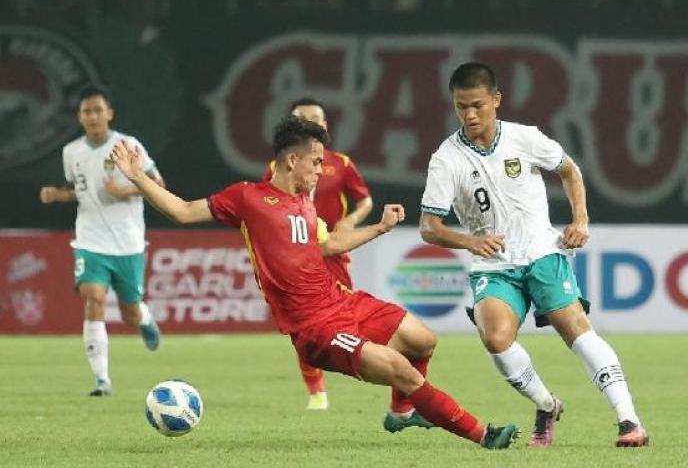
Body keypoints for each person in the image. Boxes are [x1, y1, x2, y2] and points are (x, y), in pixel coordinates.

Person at [110, 115, 521, 450]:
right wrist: (137, 177)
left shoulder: (305, 205)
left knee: (423, 341)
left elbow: (330, 244)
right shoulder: (248, 198)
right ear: (291, 161)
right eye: (315, 163)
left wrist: (379, 227)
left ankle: (401, 413)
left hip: (343, 301)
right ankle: (483, 435)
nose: (321, 171)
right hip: (316, 328)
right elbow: (182, 211)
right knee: (399, 368)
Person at [419, 62, 649, 448]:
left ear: (496, 100)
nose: (470, 114)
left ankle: (629, 421)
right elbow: (429, 227)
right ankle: (546, 404)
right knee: (495, 337)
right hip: (493, 264)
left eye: (477, 104)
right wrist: (470, 242)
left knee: (574, 327)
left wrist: (581, 220)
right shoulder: (447, 158)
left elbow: (570, 170)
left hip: (542, 253)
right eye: (461, 107)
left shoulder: (524, 139)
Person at [39, 86, 163, 397]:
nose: (93, 116)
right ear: (79, 117)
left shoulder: (129, 145)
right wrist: (58, 195)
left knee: (128, 313)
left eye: (98, 110)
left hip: (128, 242)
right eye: (87, 111)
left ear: (109, 113)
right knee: (93, 298)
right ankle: (102, 380)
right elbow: (80, 190)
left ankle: (144, 318)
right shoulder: (72, 152)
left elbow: (159, 184)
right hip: (90, 239)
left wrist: (127, 190)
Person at [263, 97, 373, 411]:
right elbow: (264, 207)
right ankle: (317, 391)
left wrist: (351, 219)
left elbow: (364, 201)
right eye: (303, 119)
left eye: (316, 119)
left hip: (332, 252)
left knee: (347, 314)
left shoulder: (340, 164)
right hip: (296, 254)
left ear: (326, 125)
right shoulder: (276, 168)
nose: (311, 123)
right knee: (303, 325)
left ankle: (367, 363)